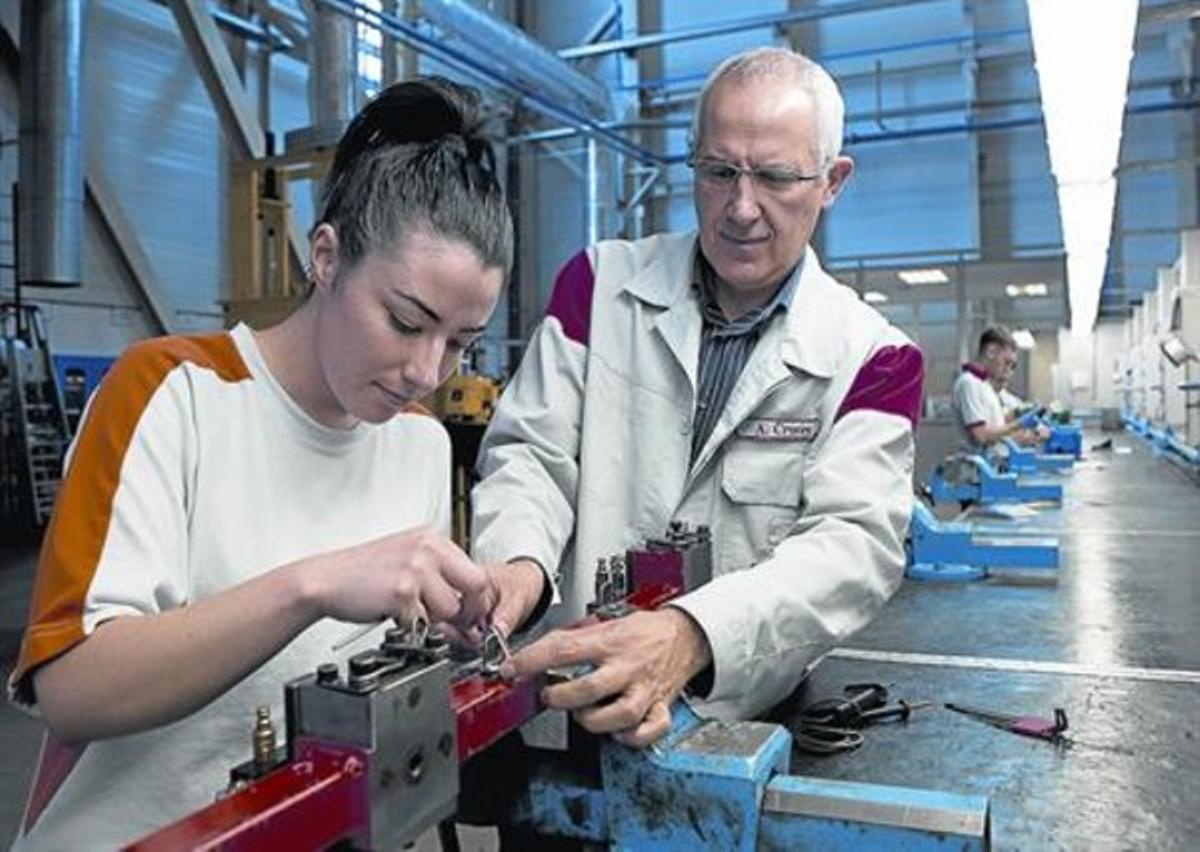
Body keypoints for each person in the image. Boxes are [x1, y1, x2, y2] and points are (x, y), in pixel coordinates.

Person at [6, 77, 538, 849]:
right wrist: (311, 586)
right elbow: (72, 687)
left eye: (460, 343)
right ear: (326, 256)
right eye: (404, 321)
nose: (428, 371)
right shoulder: (172, 394)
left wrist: (450, 641)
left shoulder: (419, 443)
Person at [469, 46, 925, 747]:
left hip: (736, 722)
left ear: (832, 181)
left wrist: (694, 634)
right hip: (567, 702)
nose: (741, 208)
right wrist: (519, 563)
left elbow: (852, 544)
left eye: (776, 177)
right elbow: (532, 453)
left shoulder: (874, 356)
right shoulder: (600, 285)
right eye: (717, 172)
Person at [953, 326, 1043, 452]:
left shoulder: (985, 386)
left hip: (994, 460)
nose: (1008, 371)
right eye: (1006, 362)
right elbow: (982, 435)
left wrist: (1019, 414)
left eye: (1012, 366)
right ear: (991, 352)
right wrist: (1020, 423)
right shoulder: (969, 383)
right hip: (976, 463)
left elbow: (996, 426)